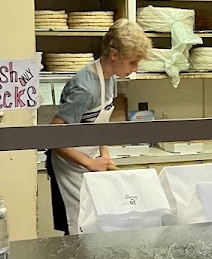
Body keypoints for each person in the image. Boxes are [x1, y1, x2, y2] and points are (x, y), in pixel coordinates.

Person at [47, 20, 152, 234]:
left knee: (96, 224)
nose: (135, 69)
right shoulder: (85, 88)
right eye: (132, 62)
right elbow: (53, 137)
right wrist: (90, 163)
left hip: (90, 160)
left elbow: (100, 125)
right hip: (69, 167)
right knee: (78, 228)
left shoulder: (110, 79)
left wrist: (104, 154)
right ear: (114, 55)